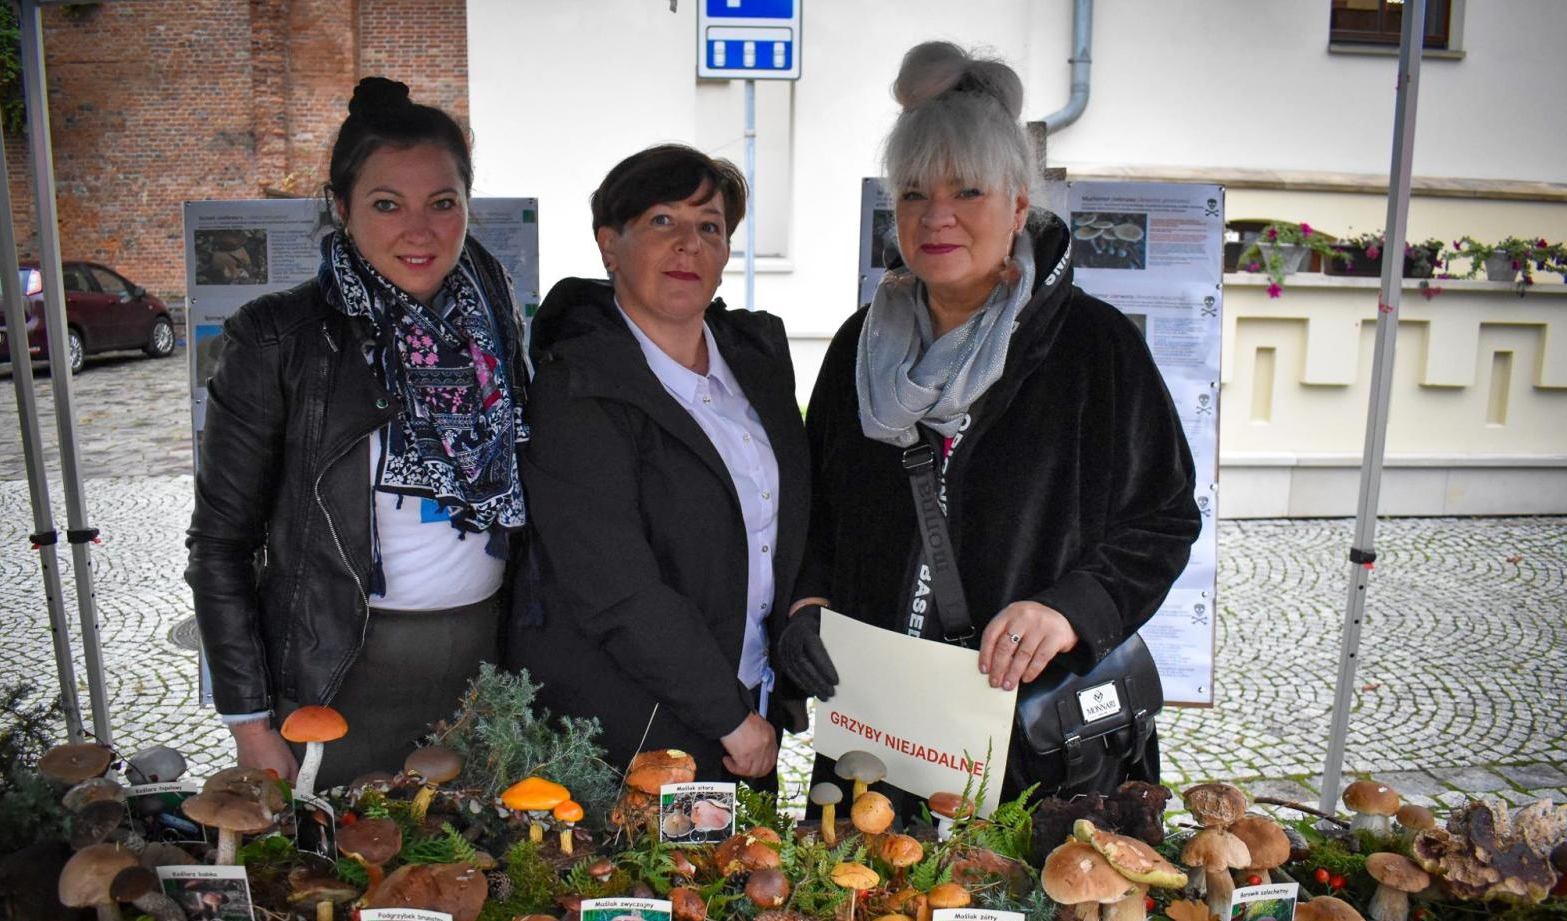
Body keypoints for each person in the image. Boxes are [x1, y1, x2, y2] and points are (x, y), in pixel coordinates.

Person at [778, 42, 1201, 810]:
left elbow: (1164, 517)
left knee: (1024, 920)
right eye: (913, 193)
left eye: (967, 190)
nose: (936, 216)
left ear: (1016, 206)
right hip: (883, 723)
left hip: (1028, 732)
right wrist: (808, 601)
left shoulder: (1091, 347)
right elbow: (819, 508)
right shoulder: (858, 348)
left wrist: (1072, 608)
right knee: (864, 912)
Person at [186, 78, 529, 790]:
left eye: (442, 203)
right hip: (338, 675)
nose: (420, 229)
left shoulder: (497, 323)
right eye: (385, 204)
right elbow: (221, 546)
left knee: (479, 879)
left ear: (467, 206)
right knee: (335, 884)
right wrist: (249, 724)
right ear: (341, 208)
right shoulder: (278, 339)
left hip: (484, 666)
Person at [506, 144, 810, 785]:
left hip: (752, 702)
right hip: (634, 725)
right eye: (662, 222)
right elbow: (617, 590)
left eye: (710, 227)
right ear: (609, 245)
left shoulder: (755, 364)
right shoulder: (577, 386)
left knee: (743, 883)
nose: (689, 246)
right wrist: (729, 718)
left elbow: (791, 522)